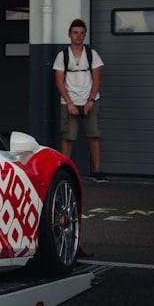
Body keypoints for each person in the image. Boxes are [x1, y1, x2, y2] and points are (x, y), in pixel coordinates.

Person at [53, 18, 107, 183]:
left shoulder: (92, 55)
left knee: (93, 136)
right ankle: (63, 171)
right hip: (69, 101)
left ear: (85, 35)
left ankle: (96, 172)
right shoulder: (62, 56)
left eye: (82, 33)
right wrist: (69, 103)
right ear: (69, 34)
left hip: (90, 100)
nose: (78, 36)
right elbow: (59, 81)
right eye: (75, 33)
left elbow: (97, 79)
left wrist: (90, 100)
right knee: (68, 137)